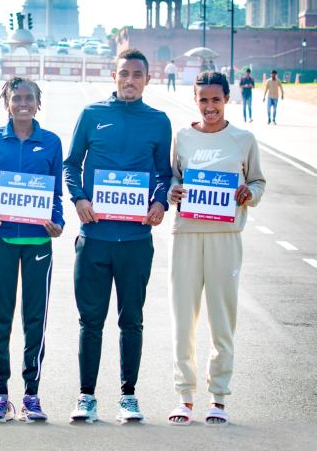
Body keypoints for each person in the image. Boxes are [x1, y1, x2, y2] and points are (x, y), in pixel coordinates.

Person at [64, 49, 172, 424]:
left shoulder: (158, 121)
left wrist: (160, 202)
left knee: (132, 320)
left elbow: (164, 173)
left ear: (147, 79)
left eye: (137, 75)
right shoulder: (93, 115)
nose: (130, 80)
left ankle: (128, 396)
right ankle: (86, 396)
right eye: (124, 73)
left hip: (137, 241)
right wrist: (78, 198)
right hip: (94, 238)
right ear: (114, 76)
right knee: (90, 321)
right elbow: (70, 163)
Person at [166, 71, 266, 427]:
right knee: (183, 319)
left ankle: (218, 397)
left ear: (227, 99)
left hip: (226, 236)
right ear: (195, 100)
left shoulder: (243, 139)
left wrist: (249, 194)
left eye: (216, 99)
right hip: (187, 235)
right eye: (203, 100)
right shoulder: (182, 137)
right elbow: (174, 177)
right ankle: (185, 395)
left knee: (223, 319)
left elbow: (256, 181)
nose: (210, 106)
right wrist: (173, 192)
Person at [0, 76, 64, 422]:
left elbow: (56, 193)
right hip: (1, 242)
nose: (23, 103)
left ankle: (31, 394)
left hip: (38, 244)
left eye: (29, 98)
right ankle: (0, 392)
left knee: (35, 319)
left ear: (38, 103)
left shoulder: (52, 142)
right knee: (0, 318)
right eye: (17, 99)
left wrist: (58, 222)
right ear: (7, 104)